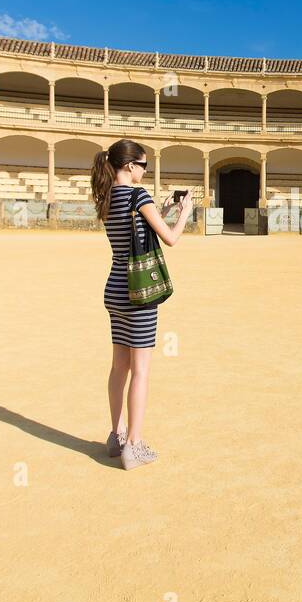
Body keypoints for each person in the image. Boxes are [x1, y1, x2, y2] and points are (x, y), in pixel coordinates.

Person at [91, 140, 194, 470]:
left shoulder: (107, 197)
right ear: (131, 166)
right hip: (140, 290)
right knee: (142, 370)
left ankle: (117, 436)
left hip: (116, 285)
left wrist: (160, 212)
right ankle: (133, 445)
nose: (145, 171)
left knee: (119, 366)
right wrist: (184, 215)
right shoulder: (139, 196)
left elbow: (133, 232)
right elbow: (171, 238)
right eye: (144, 166)